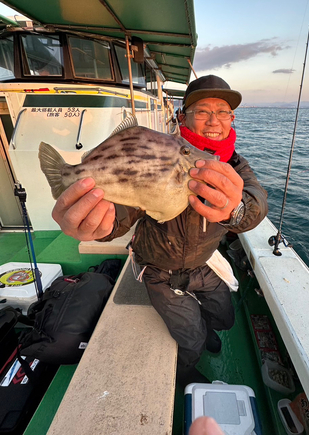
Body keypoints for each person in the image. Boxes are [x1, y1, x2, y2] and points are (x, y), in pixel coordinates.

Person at [52, 74, 268, 386]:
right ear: (182, 117)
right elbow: (124, 210)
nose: (214, 121)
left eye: (223, 112)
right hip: (160, 270)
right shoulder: (159, 154)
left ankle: (205, 328)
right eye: (203, 111)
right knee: (190, 339)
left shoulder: (235, 164)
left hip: (202, 264)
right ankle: (185, 370)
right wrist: (98, 224)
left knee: (225, 316)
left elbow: (256, 203)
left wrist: (235, 208)